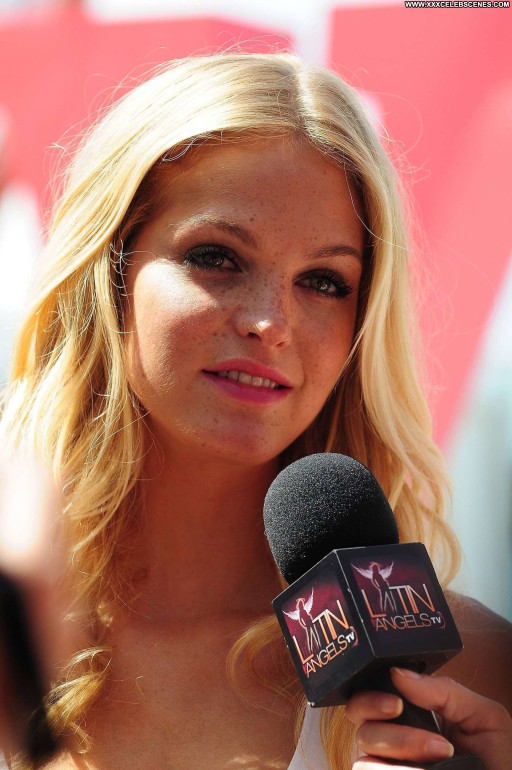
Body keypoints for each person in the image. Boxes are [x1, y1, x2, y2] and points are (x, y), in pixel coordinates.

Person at [0, 52, 510, 770]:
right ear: (109, 274)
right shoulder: (18, 623)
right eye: (217, 257)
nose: (270, 322)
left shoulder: (473, 671)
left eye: (324, 281)